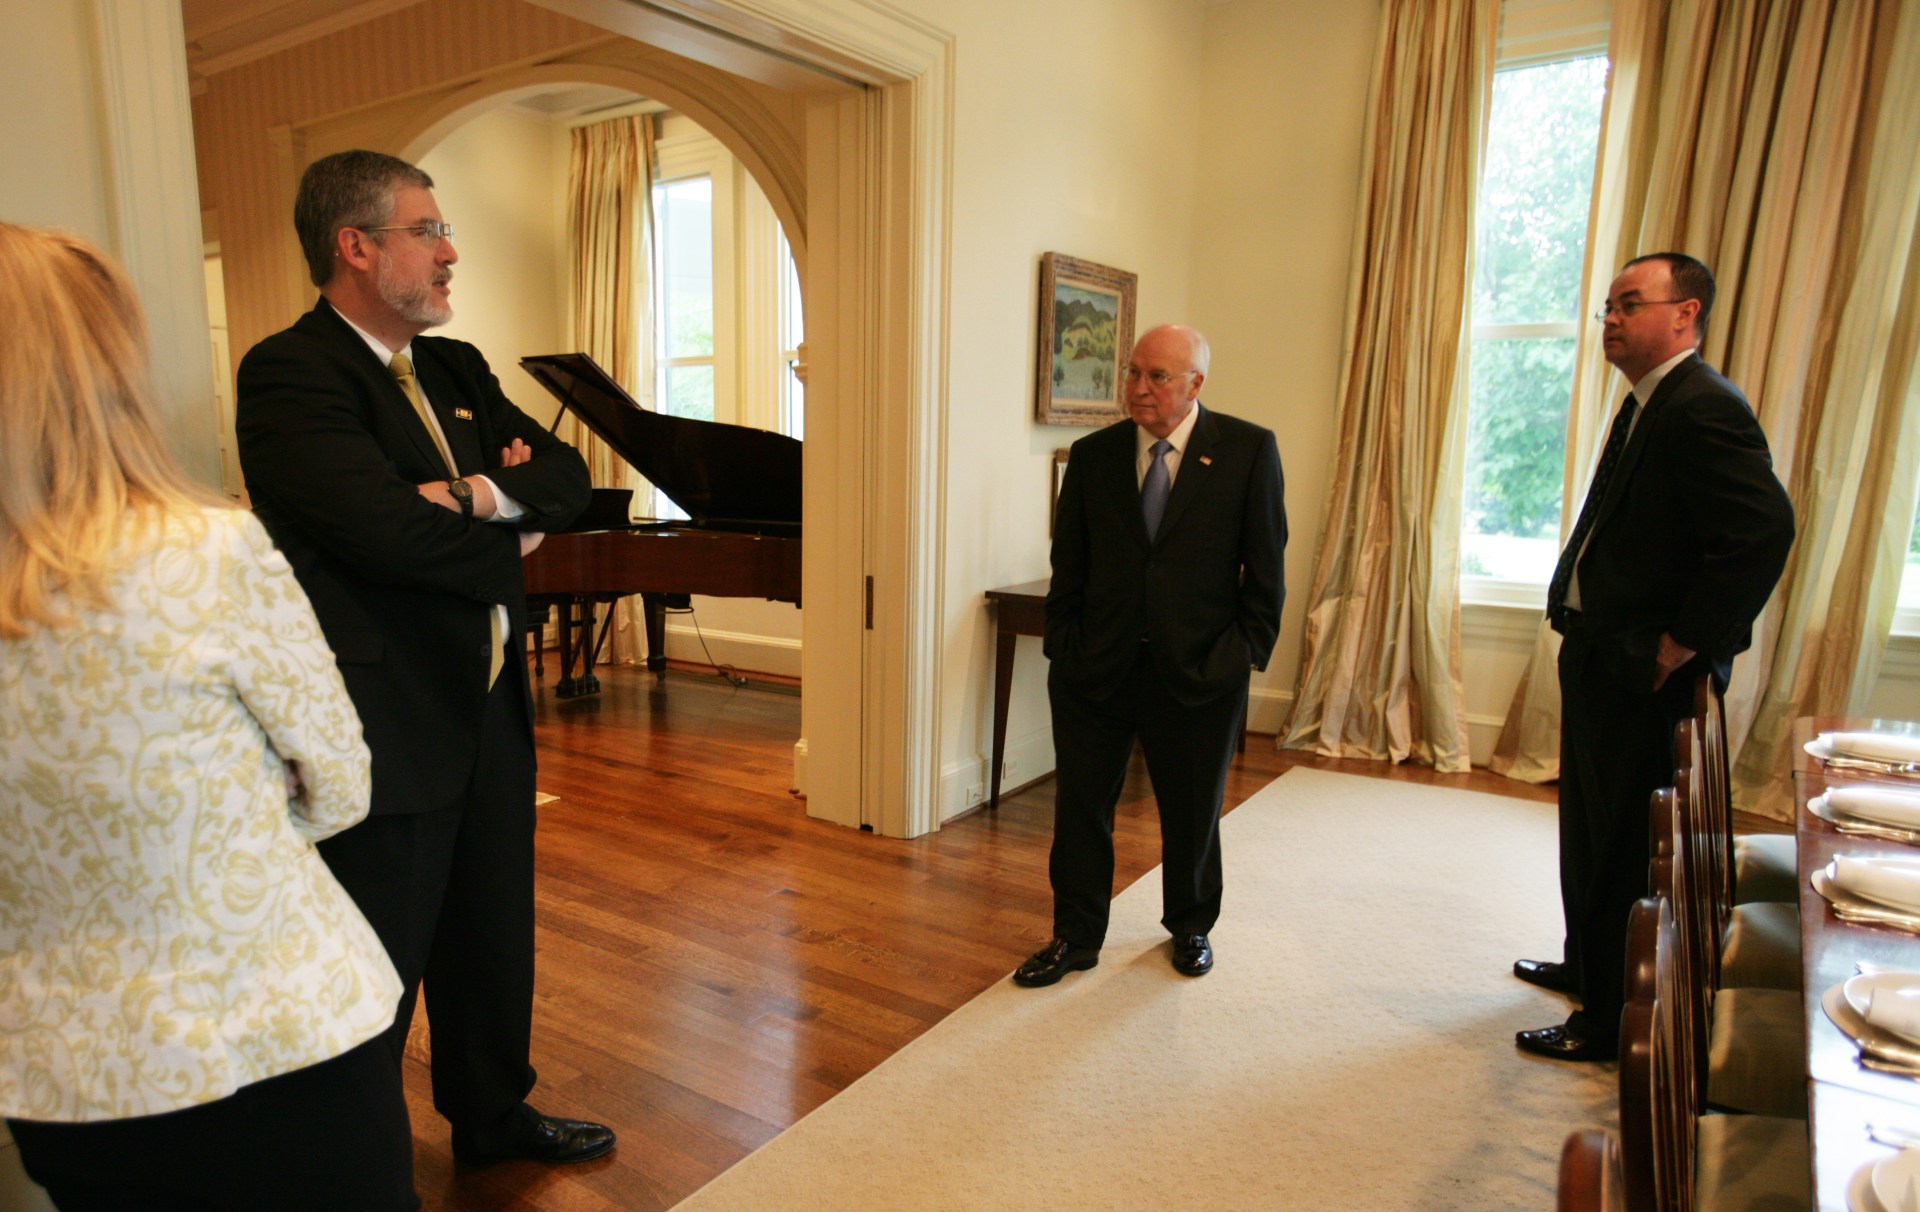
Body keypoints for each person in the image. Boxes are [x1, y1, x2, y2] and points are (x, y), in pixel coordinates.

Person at [0, 222, 416, 1209]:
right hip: (279, 1032)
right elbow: (344, 786)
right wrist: (231, 813)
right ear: (104, 367)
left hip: (65, 1082)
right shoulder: (201, 550)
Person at [234, 151, 611, 1163]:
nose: (450, 253)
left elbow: (571, 480)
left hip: (489, 702)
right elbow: (382, 537)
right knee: (381, 953)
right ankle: (356, 1161)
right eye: (428, 230)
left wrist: (478, 496)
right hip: (381, 715)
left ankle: (492, 1119)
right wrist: (512, 529)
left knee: (493, 935)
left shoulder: (459, 368)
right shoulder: (290, 372)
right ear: (355, 247)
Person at [1514, 252, 1794, 1062]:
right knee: (1589, 827)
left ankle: (1607, 1021)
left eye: (1630, 304)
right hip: (1601, 654)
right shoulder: (1649, 401)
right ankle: (1587, 968)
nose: (1610, 319)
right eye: (1608, 305)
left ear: (1686, 314)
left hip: (1645, 668)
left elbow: (1764, 532)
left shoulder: (1703, 407)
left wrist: (1683, 642)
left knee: (1624, 844)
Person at [1016, 323, 1287, 987]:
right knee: (1081, 810)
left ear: (1195, 384)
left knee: (1192, 810)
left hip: (1199, 673)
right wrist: (1064, 642)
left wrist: (1242, 652)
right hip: (1096, 670)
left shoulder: (1248, 451)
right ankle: (1075, 936)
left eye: (1157, 377)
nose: (1139, 388)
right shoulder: (1093, 454)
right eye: (1134, 372)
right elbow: (1069, 563)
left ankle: (1190, 927)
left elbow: (1267, 568)